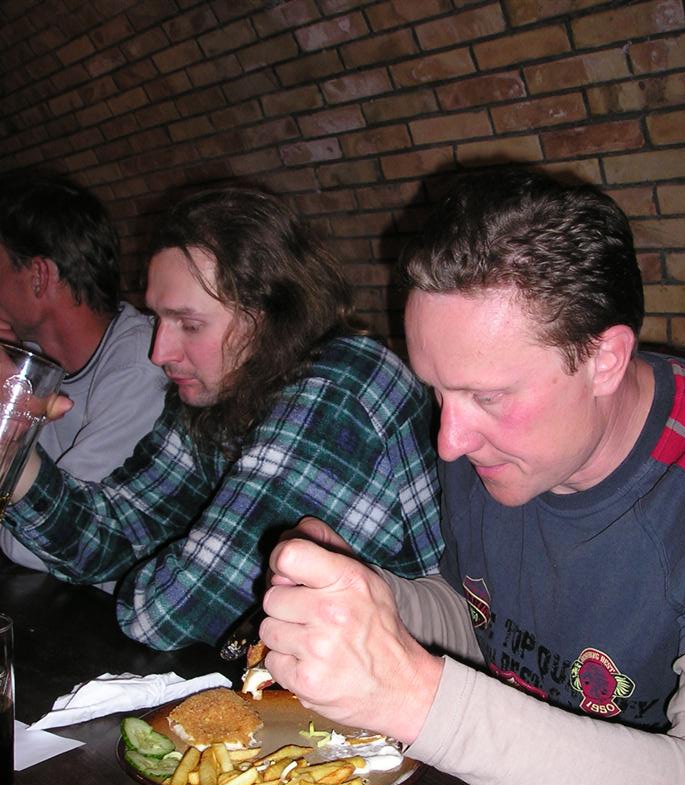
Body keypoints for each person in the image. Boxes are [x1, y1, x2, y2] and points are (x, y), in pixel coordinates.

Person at [258, 167, 685, 785]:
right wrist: (373, 603)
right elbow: (485, 625)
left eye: (488, 396)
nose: (450, 441)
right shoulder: (489, 452)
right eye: (438, 391)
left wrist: (416, 697)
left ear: (604, 360)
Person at [3, 184, 443, 650]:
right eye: (158, 319)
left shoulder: (337, 392)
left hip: (423, 673)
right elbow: (114, 530)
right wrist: (12, 454)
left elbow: (168, 616)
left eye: (189, 325)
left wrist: (161, 560)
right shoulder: (226, 387)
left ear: (268, 314)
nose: (159, 353)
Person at [0, 172, 165, 575]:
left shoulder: (141, 368)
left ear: (38, 276)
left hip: (106, 602)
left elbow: (43, 543)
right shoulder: (28, 359)